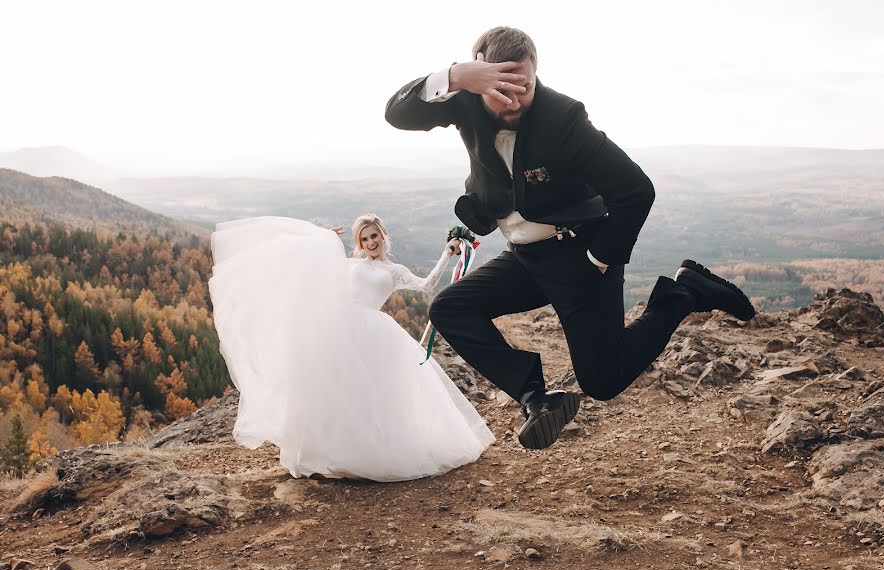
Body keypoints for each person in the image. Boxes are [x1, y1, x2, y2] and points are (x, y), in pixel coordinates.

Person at [385, 26, 755, 451]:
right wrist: (453, 76)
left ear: (535, 74)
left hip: (579, 253)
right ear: (477, 79)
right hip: (524, 256)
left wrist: (599, 260)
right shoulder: (465, 102)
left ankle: (684, 294)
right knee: (451, 307)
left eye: (522, 88)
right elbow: (397, 113)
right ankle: (535, 397)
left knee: (603, 380)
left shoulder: (563, 119)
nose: (511, 101)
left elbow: (637, 190)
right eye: (497, 89)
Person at [208, 215, 494, 481]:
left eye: (374, 236)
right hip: (341, 326)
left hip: (374, 332)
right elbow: (320, 271)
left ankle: (375, 450)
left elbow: (427, 284)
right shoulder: (352, 264)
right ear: (360, 243)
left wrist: (448, 253)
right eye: (365, 239)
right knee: (337, 390)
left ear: (383, 236)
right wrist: (322, 241)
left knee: (373, 393)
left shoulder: (395, 271)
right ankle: (332, 450)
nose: (371, 242)